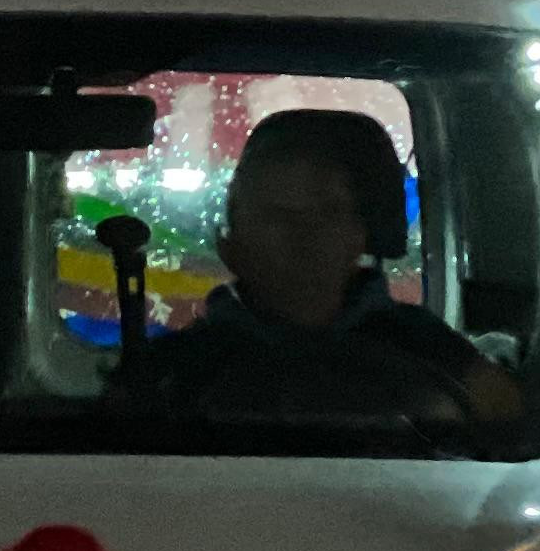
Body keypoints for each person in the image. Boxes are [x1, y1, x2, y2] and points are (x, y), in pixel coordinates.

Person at [123, 109, 516, 426]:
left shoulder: (435, 352)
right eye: (278, 215)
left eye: (329, 212)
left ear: (360, 234)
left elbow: (507, 445)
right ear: (229, 245)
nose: (306, 233)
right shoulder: (171, 375)